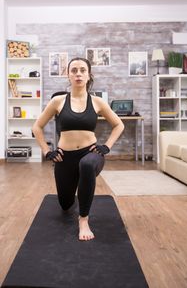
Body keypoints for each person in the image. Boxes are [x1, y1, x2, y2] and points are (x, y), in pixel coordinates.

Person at [32, 57, 124, 241]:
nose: (78, 74)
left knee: (87, 166)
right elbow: (37, 127)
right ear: (68, 75)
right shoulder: (58, 101)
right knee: (65, 204)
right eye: (74, 70)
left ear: (89, 75)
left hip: (91, 153)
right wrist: (46, 151)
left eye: (83, 70)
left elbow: (118, 125)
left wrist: (106, 146)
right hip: (64, 158)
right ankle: (75, 197)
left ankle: (83, 220)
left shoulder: (97, 102)